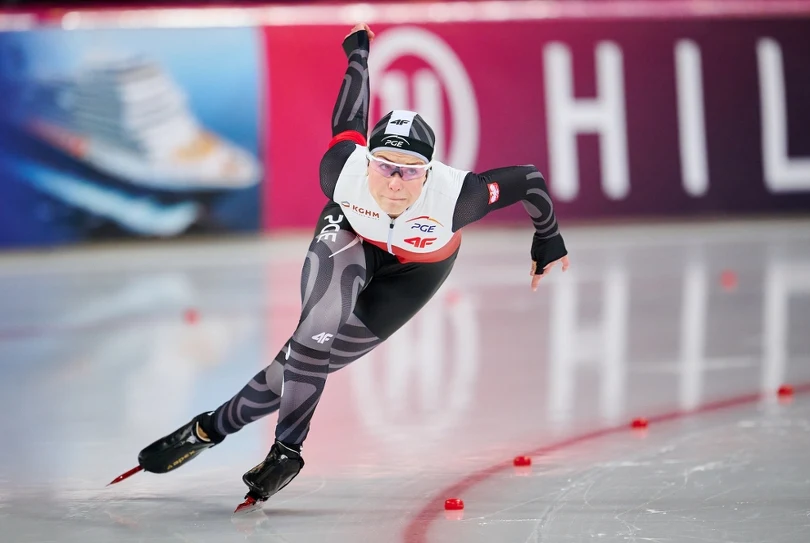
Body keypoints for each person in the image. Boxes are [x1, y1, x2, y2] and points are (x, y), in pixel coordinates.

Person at [133, 22, 570, 509]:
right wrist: (357, 54)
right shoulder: (341, 169)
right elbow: (350, 117)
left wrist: (547, 238)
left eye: (410, 172)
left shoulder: (458, 197)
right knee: (314, 334)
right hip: (350, 235)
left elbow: (529, 179)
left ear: (429, 173)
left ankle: (207, 429)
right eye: (384, 166)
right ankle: (286, 453)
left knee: (290, 370)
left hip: (417, 271)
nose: (395, 183)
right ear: (366, 162)